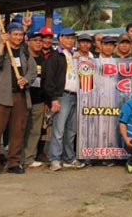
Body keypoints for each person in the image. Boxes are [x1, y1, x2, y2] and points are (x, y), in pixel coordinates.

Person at [0, 23, 37, 177]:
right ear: (8, 34)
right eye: (15, 34)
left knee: (17, 132)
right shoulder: (2, 48)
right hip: (1, 97)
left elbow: (33, 71)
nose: (18, 37)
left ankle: (13, 162)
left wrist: (26, 80)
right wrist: (1, 44)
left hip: (20, 96)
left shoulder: (25, 52)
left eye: (20, 35)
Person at [44, 27, 86, 171]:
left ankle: (69, 158)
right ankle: (55, 159)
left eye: (71, 38)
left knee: (71, 130)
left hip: (76, 95)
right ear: (60, 38)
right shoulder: (55, 56)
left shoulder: (75, 55)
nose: (69, 40)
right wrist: (53, 99)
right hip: (62, 96)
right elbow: (48, 79)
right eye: (66, 37)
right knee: (58, 130)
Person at [21, 31, 47, 169]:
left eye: (40, 40)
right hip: (23, 98)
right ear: (28, 41)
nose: (38, 42)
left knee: (35, 130)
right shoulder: (23, 57)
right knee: (20, 129)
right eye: (35, 40)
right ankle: (17, 157)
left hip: (39, 99)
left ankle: (29, 158)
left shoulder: (44, 59)